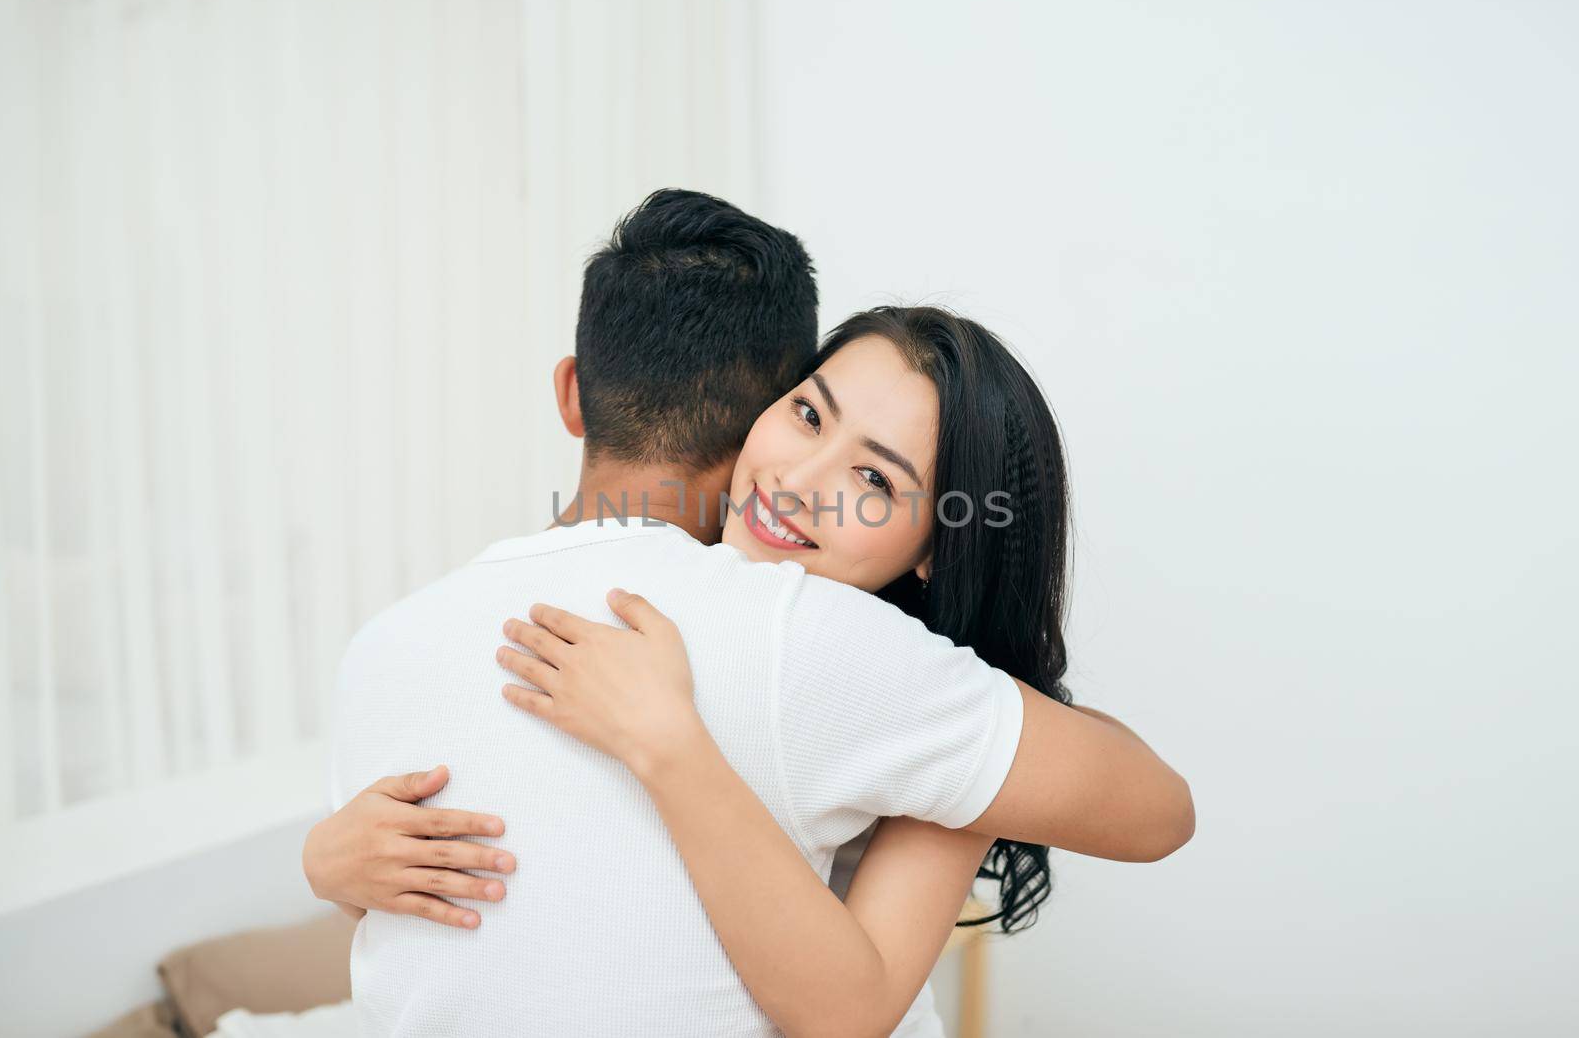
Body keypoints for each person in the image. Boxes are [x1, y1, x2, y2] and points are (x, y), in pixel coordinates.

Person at [309, 191, 1193, 1037]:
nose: (803, 484)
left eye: (876, 480)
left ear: (939, 543)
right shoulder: (767, 629)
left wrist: (672, 745)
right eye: (809, 415)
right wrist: (329, 869)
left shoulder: (859, 659)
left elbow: (1157, 813)